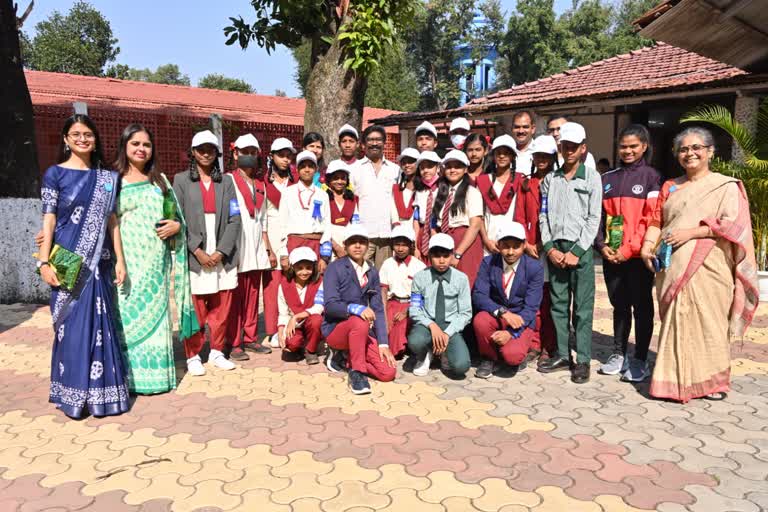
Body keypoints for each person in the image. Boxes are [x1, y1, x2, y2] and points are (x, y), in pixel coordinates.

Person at [641, 127, 758, 403]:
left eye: (696, 148)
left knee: (709, 322)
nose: (689, 153)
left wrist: (692, 233)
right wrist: (647, 246)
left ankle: (712, 383)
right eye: (683, 149)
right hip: (673, 266)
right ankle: (671, 382)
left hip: (711, 266)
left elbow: (734, 224)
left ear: (710, 152)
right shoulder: (670, 186)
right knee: (676, 320)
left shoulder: (725, 186)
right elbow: (656, 221)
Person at [37, 114, 130, 418]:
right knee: (70, 327)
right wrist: (44, 260)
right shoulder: (55, 174)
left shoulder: (107, 178)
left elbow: (112, 221)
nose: (82, 139)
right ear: (65, 139)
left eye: (87, 134)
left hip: (99, 261)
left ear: (95, 139)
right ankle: (72, 394)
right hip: (65, 258)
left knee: (100, 325)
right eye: (75, 134)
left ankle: (103, 396)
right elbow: (49, 219)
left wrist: (120, 259)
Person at [114, 123, 198, 394]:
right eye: (135, 143)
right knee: (126, 321)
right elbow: (103, 221)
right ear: (125, 146)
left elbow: (176, 219)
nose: (141, 149)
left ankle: (157, 380)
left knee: (158, 320)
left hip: (156, 267)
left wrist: (177, 227)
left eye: (146, 145)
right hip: (126, 265)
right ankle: (127, 380)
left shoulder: (159, 181)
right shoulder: (114, 180)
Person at [537, 122, 602, 384]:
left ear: (583, 148)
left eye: (574, 147)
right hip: (555, 249)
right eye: (565, 146)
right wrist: (549, 247)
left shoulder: (592, 177)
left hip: (580, 250)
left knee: (583, 309)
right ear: (559, 147)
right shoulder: (550, 180)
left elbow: (594, 217)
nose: (569, 151)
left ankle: (583, 359)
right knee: (559, 305)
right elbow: (543, 215)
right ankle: (563, 354)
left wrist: (577, 250)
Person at [595, 125, 661, 382]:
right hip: (612, 256)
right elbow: (599, 217)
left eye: (634, 146)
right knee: (619, 306)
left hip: (637, 257)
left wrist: (628, 249)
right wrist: (602, 246)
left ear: (644, 146)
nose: (628, 151)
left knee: (642, 308)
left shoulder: (652, 177)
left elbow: (652, 217)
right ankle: (618, 354)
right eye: (624, 146)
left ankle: (640, 358)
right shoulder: (607, 178)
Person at [173, 130, 241, 376]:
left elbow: (235, 219)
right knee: (196, 307)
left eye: (210, 149)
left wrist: (222, 251)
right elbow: (177, 218)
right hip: (196, 252)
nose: (205, 153)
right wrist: (197, 250)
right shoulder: (181, 180)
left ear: (217, 153)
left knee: (222, 307)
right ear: (193, 152)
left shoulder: (227, 182)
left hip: (221, 248)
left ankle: (216, 352)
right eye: (200, 149)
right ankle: (192, 354)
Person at [322, 224, 397, 394]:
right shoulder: (335, 268)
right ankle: (357, 373)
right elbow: (330, 306)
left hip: (361, 331)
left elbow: (378, 308)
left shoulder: (371, 270)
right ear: (345, 244)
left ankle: (346, 360)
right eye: (352, 242)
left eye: (361, 242)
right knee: (359, 320)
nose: (357, 246)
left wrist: (383, 344)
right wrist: (353, 308)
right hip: (336, 330)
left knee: (388, 372)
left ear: (368, 244)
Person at [472, 221, 544, 378]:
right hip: (497, 315)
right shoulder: (488, 262)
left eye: (516, 246)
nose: (510, 252)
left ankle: (515, 350)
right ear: (498, 245)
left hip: (520, 320)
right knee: (480, 321)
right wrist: (503, 313)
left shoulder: (535, 268)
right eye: (505, 246)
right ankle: (488, 357)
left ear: (524, 245)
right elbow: (479, 295)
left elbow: (531, 308)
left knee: (512, 357)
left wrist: (511, 333)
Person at [227, 133, 275, 360]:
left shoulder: (259, 184)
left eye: (252, 153)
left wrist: (267, 248)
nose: (248, 156)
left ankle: (250, 338)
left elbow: (263, 218)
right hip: (237, 247)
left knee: (253, 297)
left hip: (256, 248)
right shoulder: (227, 180)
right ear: (235, 153)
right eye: (244, 152)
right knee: (235, 298)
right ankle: (234, 342)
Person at [514, 135, 559, 361]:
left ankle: (549, 345)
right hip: (530, 249)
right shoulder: (526, 184)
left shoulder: (559, 182)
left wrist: (543, 244)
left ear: (552, 157)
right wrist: (526, 244)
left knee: (550, 299)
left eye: (546, 155)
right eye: (538, 155)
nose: (541, 159)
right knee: (532, 297)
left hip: (551, 249)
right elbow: (519, 217)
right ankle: (533, 342)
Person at [407, 233, 472, 377]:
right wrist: (432, 325)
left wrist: (447, 333)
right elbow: (414, 309)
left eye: (446, 255)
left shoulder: (461, 279)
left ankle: (444, 354)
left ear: (452, 255)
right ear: (429, 256)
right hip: (427, 326)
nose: (441, 261)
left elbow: (465, 313)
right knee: (415, 341)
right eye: (436, 256)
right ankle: (424, 355)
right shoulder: (420, 277)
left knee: (461, 367)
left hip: (450, 326)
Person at [429, 150, 484, 287]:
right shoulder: (439, 193)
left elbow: (475, 225)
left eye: (457, 166)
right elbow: (434, 222)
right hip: (445, 241)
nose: (452, 170)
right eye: (449, 166)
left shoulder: (472, 192)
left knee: (466, 282)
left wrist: (458, 253)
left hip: (465, 241)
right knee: (445, 284)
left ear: (465, 169)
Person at [263, 137, 297, 347]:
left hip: (292, 237)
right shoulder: (264, 184)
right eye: (281, 155)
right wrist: (267, 246)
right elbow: (261, 218)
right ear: (271, 157)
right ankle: (273, 329)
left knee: (291, 282)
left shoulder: (295, 183)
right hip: (272, 237)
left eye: (288, 156)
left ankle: (291, 324)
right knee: (272, 286)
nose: (285, 160)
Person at [350, 125, 400, 268]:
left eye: (378, 139)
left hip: (387, 235)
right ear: (363, 144)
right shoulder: (354, 169)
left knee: (383, 279)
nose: (374, 143)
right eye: (370, 140)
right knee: (360, 276)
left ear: (384, 143)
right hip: (363, 235)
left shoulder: (395, 170)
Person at [277, 150, 332, 272]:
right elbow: (282, 225)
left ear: (316, 169)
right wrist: (283, 253)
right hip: (294, 243)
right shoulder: (288, 193)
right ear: (297, 169)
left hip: (316, 244)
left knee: (316, 286)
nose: (307, 170)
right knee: (294, 285)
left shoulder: (323, 195)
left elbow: (327, 226)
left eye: (310, 166)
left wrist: (324, 256)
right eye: (303, 166)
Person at [379, 224, 426, 358]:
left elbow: (423, 295)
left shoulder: (419, 266)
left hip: (411, 304)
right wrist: (383, 313)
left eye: (404, 245)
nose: (400, 249)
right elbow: (383, 290)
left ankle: (400, 349)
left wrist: (407, 312)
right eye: (397, 244)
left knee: (400, 325)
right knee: (385, 325)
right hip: (392, 302)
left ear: (411, 245)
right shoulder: (387, 263)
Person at [477, 134, 524, 255]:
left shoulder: (520, 180)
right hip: (489, 243)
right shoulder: (483, 181)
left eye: (506, 153)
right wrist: (486, 240)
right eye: (498, 153)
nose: (502, 156)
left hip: (513, 244)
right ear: (493, 156)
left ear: (513, 156)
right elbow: (479, 215)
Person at [277, 247, 325, 365]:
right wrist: (280, 331)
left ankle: (310, 350)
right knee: (290, 347)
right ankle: (300, 345)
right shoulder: (283, 286)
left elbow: (319, 306)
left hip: (310, 320)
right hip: (295, 325)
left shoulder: (319, 282)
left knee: (316, 320)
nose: (304, 272)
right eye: (300, 268)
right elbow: (283, 312)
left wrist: (296, 316)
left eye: (308, 268)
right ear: (293, 267)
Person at [325, 159, 359, 260]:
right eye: (335, 178)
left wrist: (348, 247)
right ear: (329, 180)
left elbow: (356, 223)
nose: (339, 182)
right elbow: (321, 226)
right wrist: (336, 247)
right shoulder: (323, 197)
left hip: (348, 246)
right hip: (328, 246)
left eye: (343, 178)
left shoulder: (352, 199)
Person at [413, 151, 442, 261]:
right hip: (423, 233)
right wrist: (415, 246)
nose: (426, 171)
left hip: (438, 232)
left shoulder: (444, 188)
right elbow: (416, 220)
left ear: (438, 168)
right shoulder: (420, 191)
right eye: (422, 168)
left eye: (430, 167)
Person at [391, 147, 419, 227]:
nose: (407, 165)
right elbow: (393, 210)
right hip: (399, 231)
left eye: (410, 162)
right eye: (404, 162)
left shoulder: (424, 187)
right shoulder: (397, 188)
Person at [510, 111, 536, 177]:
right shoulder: (505, 152)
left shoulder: (540, 150)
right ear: (511, 129)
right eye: (517, 127)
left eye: (525, 127)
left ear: (533, 129)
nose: (521, 131)